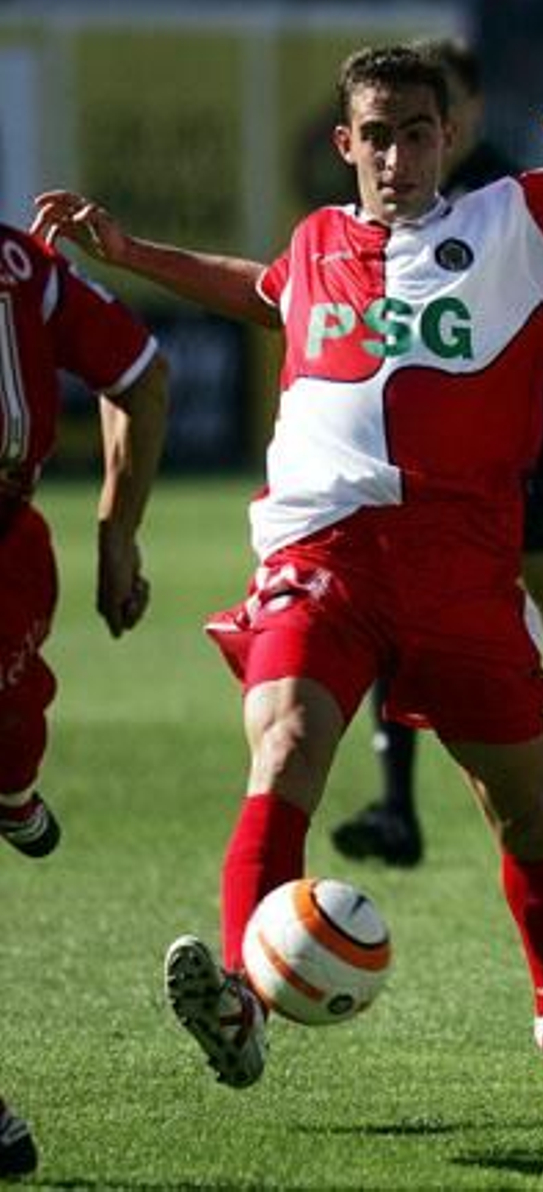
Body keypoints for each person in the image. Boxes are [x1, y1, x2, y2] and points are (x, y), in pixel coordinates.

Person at [33, 44, 543, 1102]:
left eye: (418, 134)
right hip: (323, 549)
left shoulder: (517, 221)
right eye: (379, 137)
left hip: (460, 559)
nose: (398, 157)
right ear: (345, 143)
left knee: (525, 816)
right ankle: (243, 1003)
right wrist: (131, 252)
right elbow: (270, 292)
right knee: (285, 748)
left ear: (450, 137)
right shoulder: (316, 240)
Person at [332, 36, 543, 869]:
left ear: (467, 114)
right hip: (423, 453)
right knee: (394, 605)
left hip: (524, 441)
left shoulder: (504, 193)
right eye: (389, 125)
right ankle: (397, 807)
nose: (406, 139)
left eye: (433, 112)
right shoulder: (382, 201)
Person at [0, 219, 168, 1183]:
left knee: (13, 732)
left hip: (5, 559)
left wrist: (117, 532)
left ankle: (13, 790)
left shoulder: (26, 269)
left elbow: (140, 375)